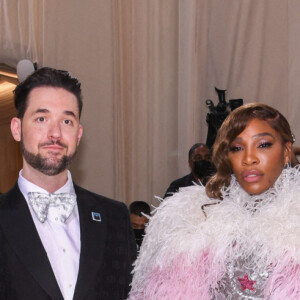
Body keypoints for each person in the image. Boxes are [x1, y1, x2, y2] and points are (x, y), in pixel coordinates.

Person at [129, 103, 300, 299]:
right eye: (237, 148)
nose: (249, 158)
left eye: (263, 145)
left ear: (287, 152)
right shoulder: (192, 218)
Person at [0, 67, 136, 300]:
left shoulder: (116, 217)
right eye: (41, 119)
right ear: (17, 129)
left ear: (79, 134)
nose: (55, 133)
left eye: (66, 120)